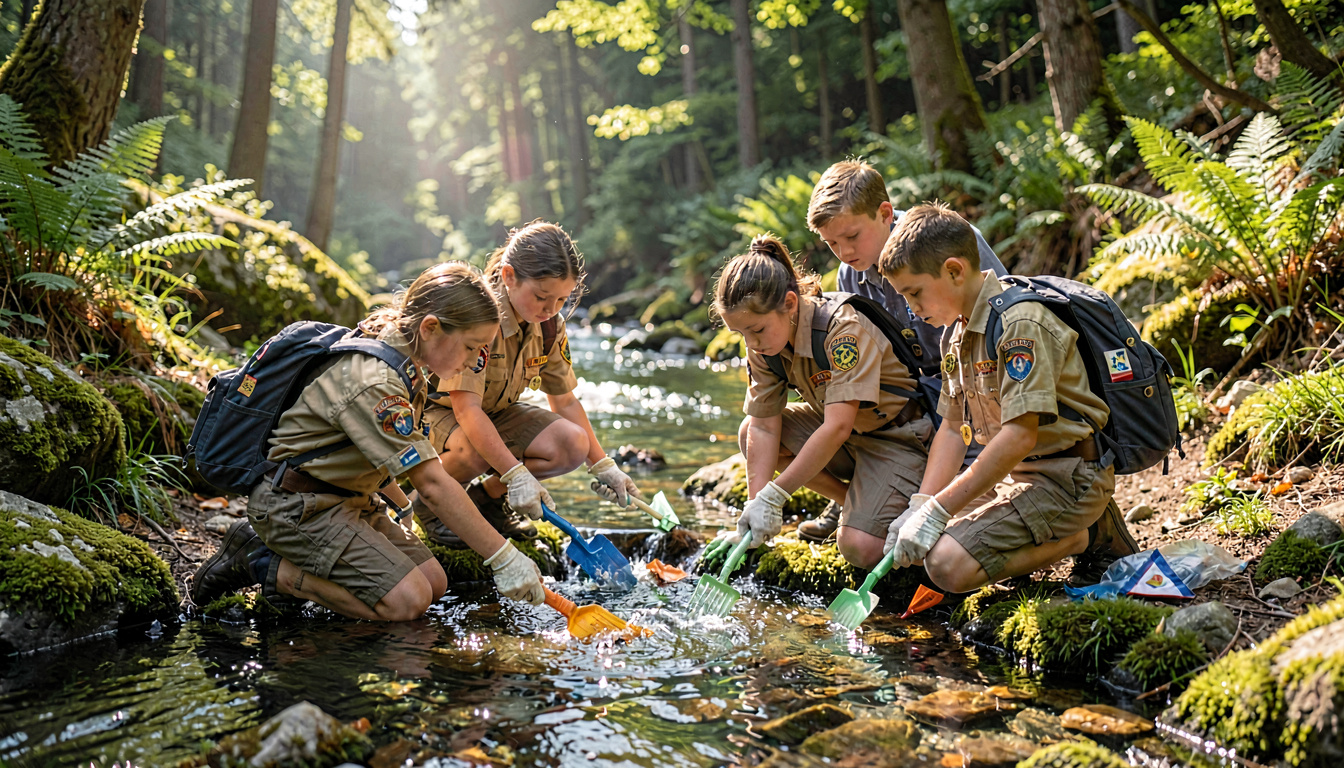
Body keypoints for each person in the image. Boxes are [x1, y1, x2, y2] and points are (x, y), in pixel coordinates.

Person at [190, 263, 546, 620]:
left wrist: (401, 506)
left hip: (350, 498)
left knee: (434, 582)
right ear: (431, 327)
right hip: (298, 507)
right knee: (408, 601)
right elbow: (433, 484)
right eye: (471, 348)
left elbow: (370, 450)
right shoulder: (376, 382)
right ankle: (262, 562)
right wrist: (503, 557)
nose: (473, 362)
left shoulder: (406, 359)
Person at [876, 202, 1137, 593]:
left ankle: (1089, 534)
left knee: (946, 567)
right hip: (1019, 477)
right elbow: (950, 428)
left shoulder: (1020, 325)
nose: (912, 311)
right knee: (911, 543)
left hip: (1069, 480)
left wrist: (939, 510)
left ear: (954, 271)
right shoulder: (956, 334)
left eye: (915, 294)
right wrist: (922, 504)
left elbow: (1019, 435)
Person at [796, 159, 1009, 542]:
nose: (843, 252)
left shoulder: (943, 242)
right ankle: (858, 494)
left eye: (852, 237)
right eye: (831, 244)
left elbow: (1002, 323)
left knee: (957, 528)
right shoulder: (851, 274)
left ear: (885, 214)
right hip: (913, 396)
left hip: (972, 386)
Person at [413, 220, 644, 546]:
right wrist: (515, 474)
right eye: (541, 297)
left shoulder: (550, 326)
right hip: (439, 414)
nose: (550, 309)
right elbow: (466, 409)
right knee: (473, 448)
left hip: (493, 413)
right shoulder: (480, 320)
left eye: (562, 300)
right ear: (509, 277)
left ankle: (487, 500)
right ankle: (430, 504)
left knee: (571, 444)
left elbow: (564, 401)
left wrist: (604, 465)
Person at [710, 234, 932, 570]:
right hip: (851, 440)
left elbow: (837, 426)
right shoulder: (763, 346)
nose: (751, 343)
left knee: (859, 547)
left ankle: (868, 512)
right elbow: (764, 425)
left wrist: (776, 495)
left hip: (897, 439)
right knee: (747, 434)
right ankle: (849, 504)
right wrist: (756, 507)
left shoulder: (841, 330)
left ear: (789, 303)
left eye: (756, 330)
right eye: (740, 334)